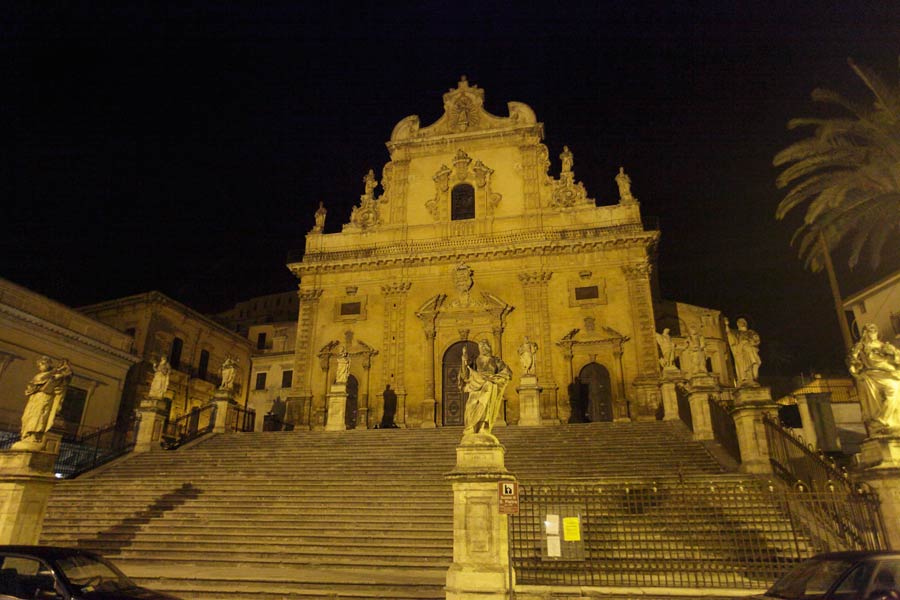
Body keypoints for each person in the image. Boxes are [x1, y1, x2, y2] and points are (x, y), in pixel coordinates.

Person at [847, 323, 900, 435]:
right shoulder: (861, 347)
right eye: (870, 331)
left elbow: (897, 357)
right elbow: (852, 360)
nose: (873, 333)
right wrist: (855, 370)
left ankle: (884, 421)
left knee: (895, 392)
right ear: (865, 333)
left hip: (889, 373)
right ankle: (882, 422)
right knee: (891, 393)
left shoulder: (883, 346)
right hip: (873, 375)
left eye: (874, 330)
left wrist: (893, 354)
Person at [460, 339, 511, 435]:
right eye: (481, 347)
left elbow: (507, 372)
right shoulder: (475, 360)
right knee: (470, 405)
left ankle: (483, 425)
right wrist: (464, 361)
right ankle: (471, 426)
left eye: (484, 347)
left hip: (489, 385)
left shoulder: (496, 360)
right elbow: (465, 375)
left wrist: (496, 378)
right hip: (476, 384)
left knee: (486, 405)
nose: (483, 349)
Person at [19, 356, 73, 444]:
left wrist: (62, 374)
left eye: (42, 365)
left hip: (45, 398)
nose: (40, 367)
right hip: (35, 399)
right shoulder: (41, 375)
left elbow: (64, 380)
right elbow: (31, 386)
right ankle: (26, 434)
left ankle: (35, 435)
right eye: (39, 365)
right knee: (28, 416)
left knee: (40, 416)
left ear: (48, 364)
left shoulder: (55, 374)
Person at [725, 317, 762, 386]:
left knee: (753, 363)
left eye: (743, 321)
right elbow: (729, 334)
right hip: (741, 352)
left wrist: (750, 342)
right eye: (739, 322)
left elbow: (757, 340)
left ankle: (752, 378)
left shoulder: (751, 332)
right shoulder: (736, 333)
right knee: (744, 365)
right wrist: (726, 325)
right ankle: (745, 379)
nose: (741, 323)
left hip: (750, 350)